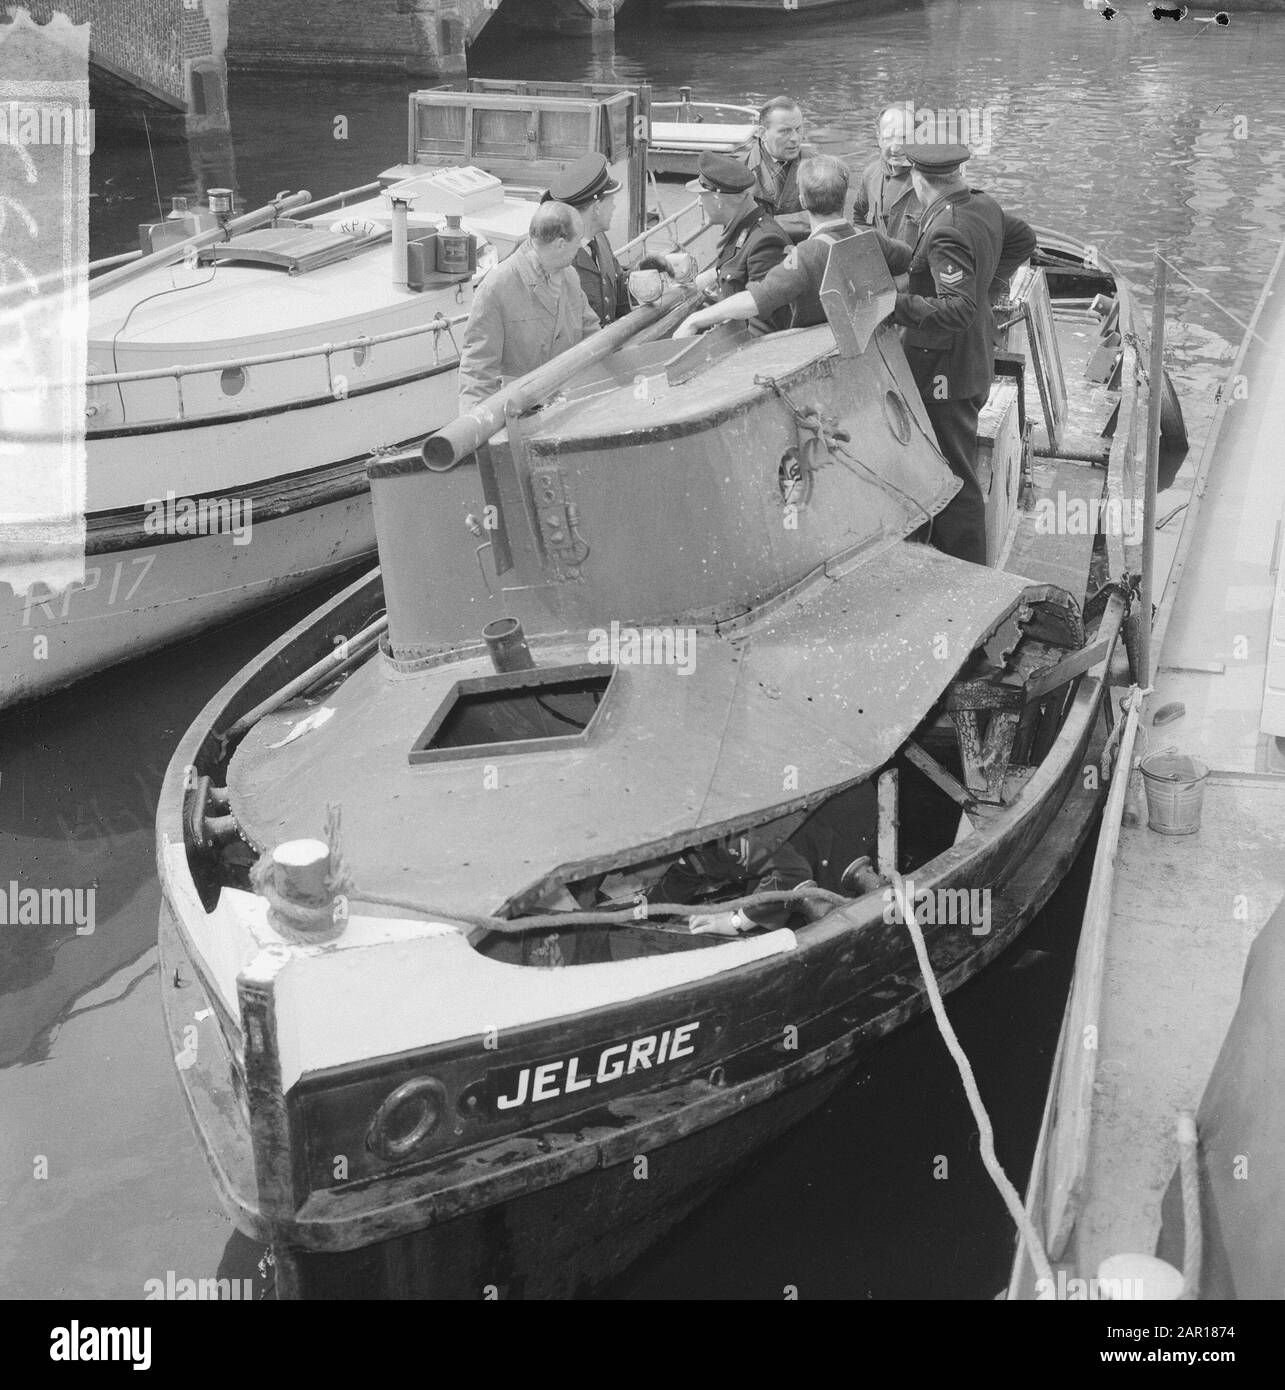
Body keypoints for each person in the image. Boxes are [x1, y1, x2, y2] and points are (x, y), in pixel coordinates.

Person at [893, 143, 1036, 566]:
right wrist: (990, 285)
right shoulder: (982, 204)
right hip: (968, 358)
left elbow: (956, 310)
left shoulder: (947, 227)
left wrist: (890, 304)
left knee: (954, 474)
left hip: (945, 371)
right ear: (957, 174)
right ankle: (931, 552)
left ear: (919, 179)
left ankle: (971, 576)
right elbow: (1023, 237)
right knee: (944, 462)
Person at [674, 154, 912, 338]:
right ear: (843, 196)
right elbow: (909, 260)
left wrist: (695, 320)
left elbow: (756, 300)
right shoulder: (869, 237)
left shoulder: (806, 255)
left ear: (801, 200)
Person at [456, 201, 600, 411]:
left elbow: (593, 337)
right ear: (561, 244)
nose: (580, 247)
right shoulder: (496, 287)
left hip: (567, 410)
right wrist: (479, 433)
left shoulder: (569, 277)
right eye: (577, 241)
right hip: (520, 416)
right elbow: (477, 371)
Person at [686, 151, 791, 327]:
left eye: (702, 196)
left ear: (719, 200)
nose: (699, 202)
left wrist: (697, 321)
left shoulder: (765, 242)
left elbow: (765, 321)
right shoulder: (742, 230)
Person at [541, 152, 630, 327]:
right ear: (597, 208)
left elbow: (617, 286)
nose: (614, 206)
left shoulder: (599, 238)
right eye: (610, 200)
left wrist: (646, 272)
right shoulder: (561, 258)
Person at [852, 104, 923, 245]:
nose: (895, 147)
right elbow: (859, 219)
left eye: (904, 138)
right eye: (888, 138)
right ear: (878, 138)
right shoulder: (870, 175)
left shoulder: (929, 180)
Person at [745, 95, 813, 241]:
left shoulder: (817, 166)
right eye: (785, 131)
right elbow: (741, 228)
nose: (795, 138)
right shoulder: (740, 171)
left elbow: (831, 218)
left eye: (798, 128)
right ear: (762, 133)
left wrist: (769, 222)